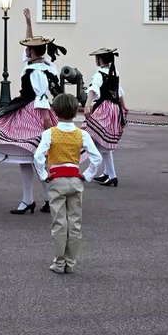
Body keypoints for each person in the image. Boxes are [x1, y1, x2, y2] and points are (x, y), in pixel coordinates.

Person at [0, 8, 65, 215]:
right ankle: (39, 199)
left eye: (28, 49)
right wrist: (28, 24)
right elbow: (33, 46)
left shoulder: (36, 71)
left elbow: (42, 98)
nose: (26, 51)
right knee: (33, 158)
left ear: (32, 52)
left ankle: (39, 199)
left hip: (33, 114)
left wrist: (48, 128)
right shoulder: (45, 65)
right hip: (34, 111)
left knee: (35, 157)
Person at [34, 93, 102, 275]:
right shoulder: (82, 134)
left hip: (56, 180)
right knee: (75, 222)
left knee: (59, 223)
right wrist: (87, 175)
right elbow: (96, 157)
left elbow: (38, 156)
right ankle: (70, 262)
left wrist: (43, 174)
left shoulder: (49, 134)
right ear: (75, 112)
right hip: (75, 180)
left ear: (55, 111)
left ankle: (59, 262)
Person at [83, 48, 127, 187]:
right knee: (103, 141)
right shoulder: (115, 73)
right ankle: (108, 173)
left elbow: (93, 89)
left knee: (95, 137)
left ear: (100, 60)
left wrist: (87, 105)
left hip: (105, 108)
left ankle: (111, 175)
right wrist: (123, 107)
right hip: (114, 108)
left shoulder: (99, 74)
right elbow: (119, 92)